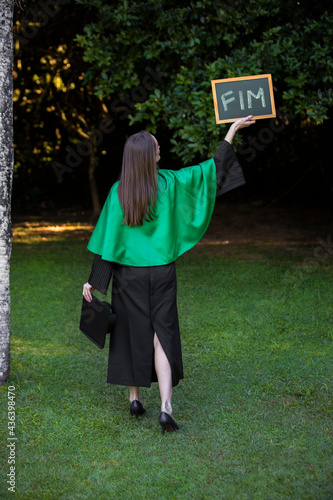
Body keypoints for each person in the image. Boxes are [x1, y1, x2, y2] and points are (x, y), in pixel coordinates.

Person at [82, 115, 255, 434]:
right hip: (162, 274)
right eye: (157, 147)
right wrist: (231, 132)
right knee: (162, 334)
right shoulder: (171, 184)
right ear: (148, 155)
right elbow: (211, 171)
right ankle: (166, 407)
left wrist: (94, 281)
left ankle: (135, 399)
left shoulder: (119, 192)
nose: (160, 149)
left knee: (130, 331)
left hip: (128, 276)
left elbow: (108, 244)